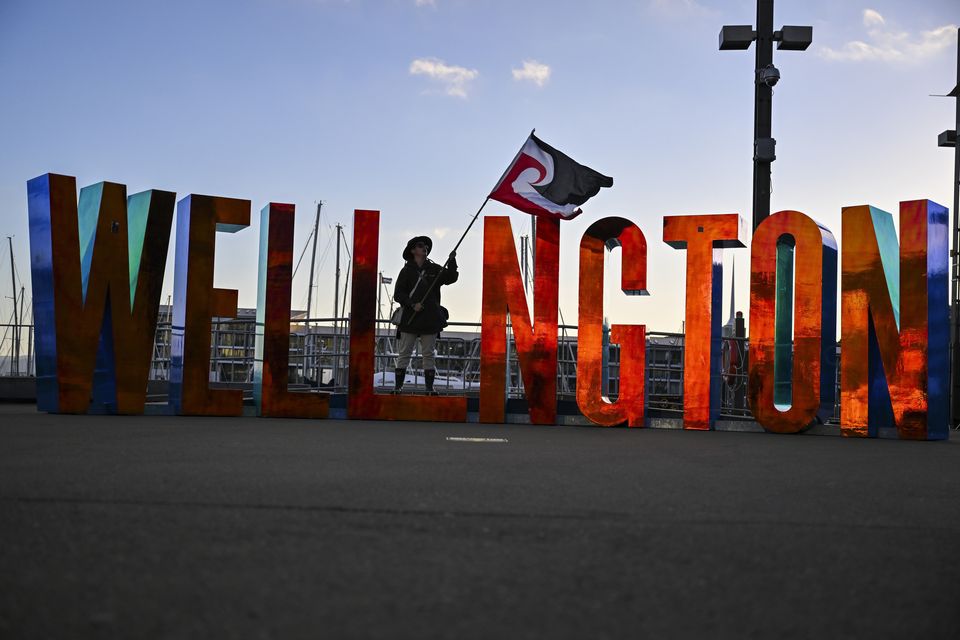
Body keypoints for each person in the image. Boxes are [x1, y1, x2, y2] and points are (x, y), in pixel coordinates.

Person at [392, 236, 458, 394]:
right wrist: (412, 304)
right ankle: (398, 387)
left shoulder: (435, 269)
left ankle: (429, 388)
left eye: (426, 246)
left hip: (430, 319)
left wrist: (452, 261)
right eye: (421, 245)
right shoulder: (406, 271)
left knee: (428, 355)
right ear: (413, 250)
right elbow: (398, 294)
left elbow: (451, 278)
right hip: (410, 319)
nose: (425, 248)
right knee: (404, 354)